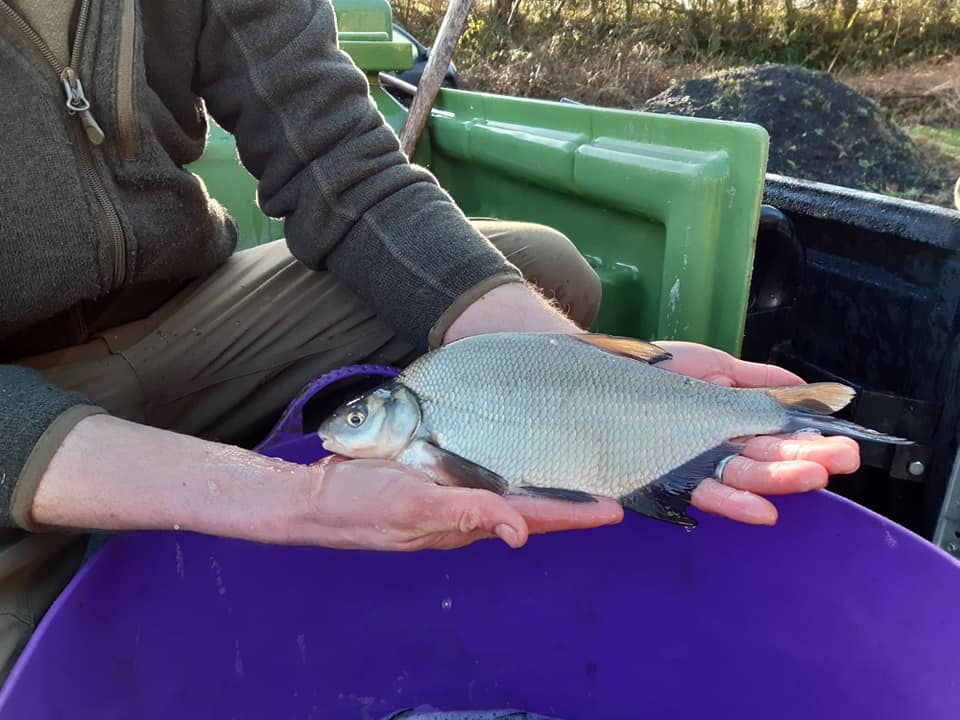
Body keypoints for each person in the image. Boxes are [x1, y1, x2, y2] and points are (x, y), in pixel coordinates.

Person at [0, 0, 860, 681]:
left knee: (537, 271)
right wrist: (289, 500)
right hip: (16, 383)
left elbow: (344, 169)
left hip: (187, 304)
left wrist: (584, 375)